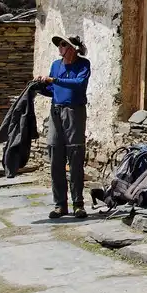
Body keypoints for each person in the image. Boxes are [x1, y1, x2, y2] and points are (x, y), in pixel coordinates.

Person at [37, 34, 91, 219]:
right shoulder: (55, 65)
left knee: (75, 156)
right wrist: (41, 86)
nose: (59, 48)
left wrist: (54, 81)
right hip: (56, 112)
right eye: (58, 45)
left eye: (63, 45)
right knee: (55, 155)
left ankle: (78, 203)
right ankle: (60, 204)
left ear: (73, 48)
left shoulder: (83, 65)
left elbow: (79, 84)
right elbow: (53, 91)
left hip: (74, 112)